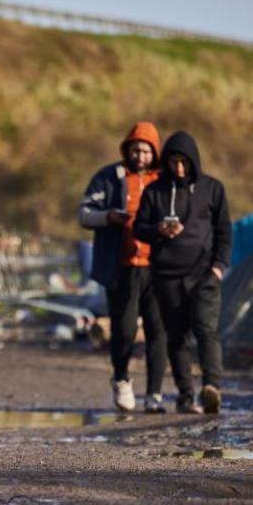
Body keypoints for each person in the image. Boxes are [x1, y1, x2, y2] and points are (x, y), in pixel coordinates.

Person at [133, 131, 232, 414]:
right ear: (166, 162)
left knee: (205, 331)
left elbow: (225, 230)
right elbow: (139, 228)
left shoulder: (213, 189)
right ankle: (185, 396)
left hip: (204, 274)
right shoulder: (154, 192)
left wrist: (218, 267)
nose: (178, 168)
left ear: (193, 162)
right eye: (173, 162)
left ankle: (212, 389)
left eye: (184, 163)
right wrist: (158, 230)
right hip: (166, 275)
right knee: (175, 337)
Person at [79, 122, 169, 413]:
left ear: (155, 153)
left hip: (157, 268)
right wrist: (108, 218)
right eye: (135, 149)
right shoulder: (109, 177)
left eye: (146, 151)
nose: (140, 156)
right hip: (121, 267)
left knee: (158, 330)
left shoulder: (164, 180)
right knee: (124, 330)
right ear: (127, 149)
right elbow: (84, 214)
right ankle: (121, 378)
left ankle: (154, 394)